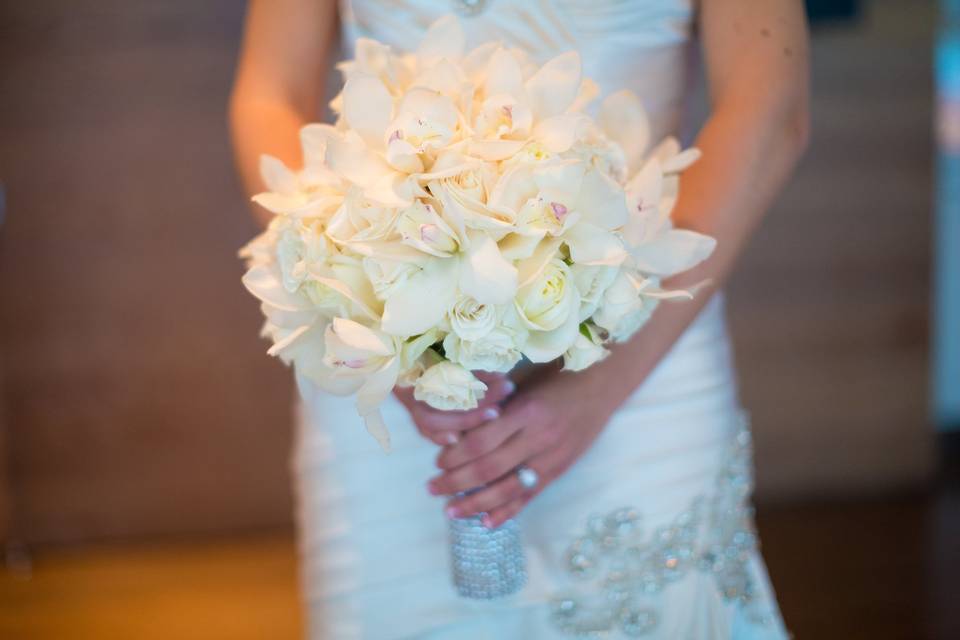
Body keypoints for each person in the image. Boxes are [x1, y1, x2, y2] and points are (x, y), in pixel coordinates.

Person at [229, 1, 810, 637]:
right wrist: (372, 325)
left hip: (642, 349)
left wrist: (597, 390)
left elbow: (768, 106)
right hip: (384, 359)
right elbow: (270, 93)